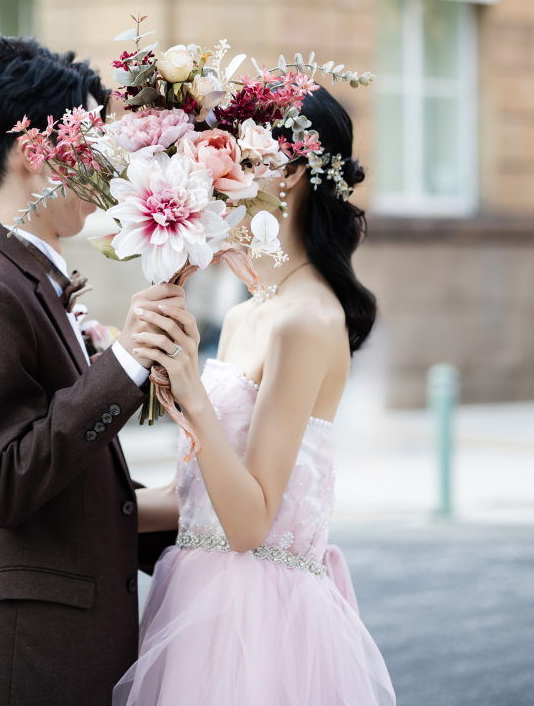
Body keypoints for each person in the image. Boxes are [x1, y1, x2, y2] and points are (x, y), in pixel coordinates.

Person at [0, 36, 178, 706]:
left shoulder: (26, 279)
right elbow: (4, 482)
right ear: (35, 153)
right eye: (87, 142)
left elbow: (63, 479)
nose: (105, 164)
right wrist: (126, 361)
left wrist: (195, 504)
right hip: (15, 654)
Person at [116, 85, 396, 706]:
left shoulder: (307, 320)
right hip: (195, 596)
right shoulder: (248, 315)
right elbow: (196, 501)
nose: (224, 165)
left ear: (292, 170)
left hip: (263, 624)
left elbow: (247, 524)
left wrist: (188, 386)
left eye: (244, 150)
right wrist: (85, 505)